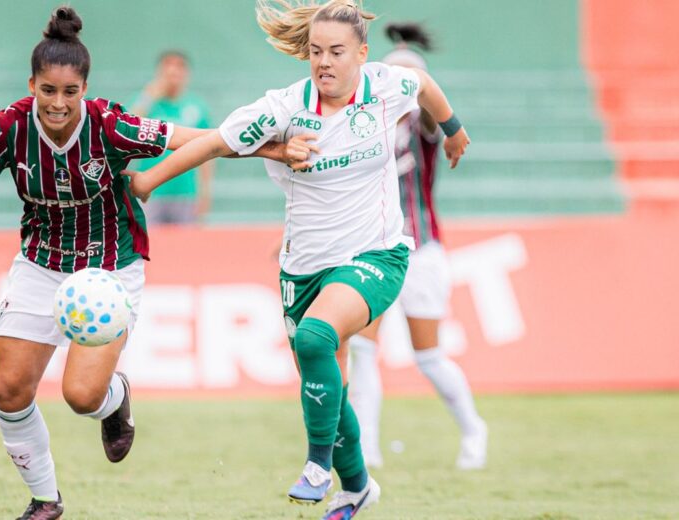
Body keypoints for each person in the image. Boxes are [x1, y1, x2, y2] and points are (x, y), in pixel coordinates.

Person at [0, 7, 292, 518]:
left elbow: (196, 140)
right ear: (32, 84)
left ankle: (115, 401)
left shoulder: (108, 125)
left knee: (81, 395)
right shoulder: (6, 128)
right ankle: (45, 500)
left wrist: (274, 150)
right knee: (8, 389)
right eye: (47, 90)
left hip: (109, 268)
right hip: (40, 264)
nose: (57, 103)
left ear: (83, 89)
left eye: (69, 92)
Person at [126, 1, 470, 517]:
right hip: (303, 268)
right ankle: (357, 488)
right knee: (332, 388)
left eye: (336, 52)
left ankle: (316, 465)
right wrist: (149, 181)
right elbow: (215, 144)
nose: (324, 62)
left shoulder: (386, 85)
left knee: (316, 336)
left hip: (377, 254)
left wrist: (453, 129)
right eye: (315, 52)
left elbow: (425, 87)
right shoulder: (283, 109)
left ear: (361, 54)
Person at [347, 22, 488, 471]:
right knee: (363, 349)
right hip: (373, 248)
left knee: (428, 356)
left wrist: (422, 87)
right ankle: (366, 448)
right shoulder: (363, 125)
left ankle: (472, 429)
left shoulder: (426, 123)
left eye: (409, 78)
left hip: (421, 248)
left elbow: (431, 108)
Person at [131, 51, 216, 224]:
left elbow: (209, 152)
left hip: (186, 193)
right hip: (151, 191)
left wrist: (205, 194)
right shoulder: (147, 104)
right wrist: (148, 97)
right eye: (168, 68)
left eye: (179, 68)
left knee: (185, 247)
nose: (173, 73)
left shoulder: (197, 107)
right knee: (148, 244)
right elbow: (128, 130)